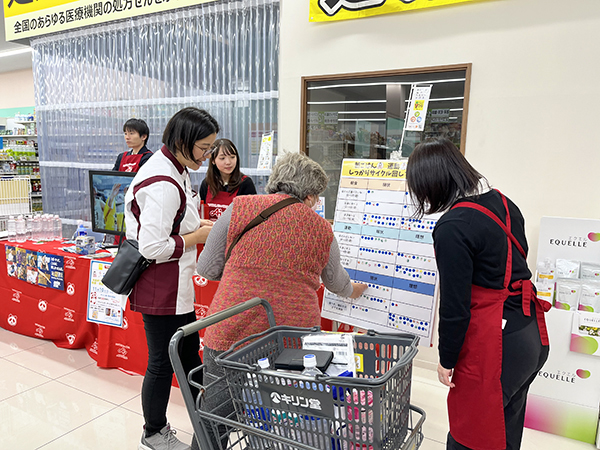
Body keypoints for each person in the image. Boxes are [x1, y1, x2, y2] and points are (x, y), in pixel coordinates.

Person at [195, 152, 368, 449]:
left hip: (230, 330)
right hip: (290, 343)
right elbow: (337, 283)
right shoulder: (321, 229)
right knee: (283, 421)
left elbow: (206, 268)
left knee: (216, 415)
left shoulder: (240, 207)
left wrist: (246, 269)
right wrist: (356, 290)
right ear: (311, 195)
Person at [405, 138, 550, 450]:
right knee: (504, 431)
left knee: (469, 437)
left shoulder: (453, 226)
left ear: (433, 184)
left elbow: (455, 308)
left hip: (496, 347)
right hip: (530, 334)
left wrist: (446, 359)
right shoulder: (506, 204)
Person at [124, 107, 218, 450]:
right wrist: (197, 237)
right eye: (204, 148)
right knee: (163, 362)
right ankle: (154, 431)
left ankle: (207, 420)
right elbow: (152, 245)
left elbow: (179, 223)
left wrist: (205, 228)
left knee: (188, 353)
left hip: (175, 283)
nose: (207, 156)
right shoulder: (163, 181)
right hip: (159, 284)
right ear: (182, 141)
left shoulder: (177, 168)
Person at [199, 138, 257, 221]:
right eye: (222, 158)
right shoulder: (206, 183)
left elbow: (252, 216)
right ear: (213, 160)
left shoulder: (245, 183)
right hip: (210, 232)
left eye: (232, 157)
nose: (228, 162)